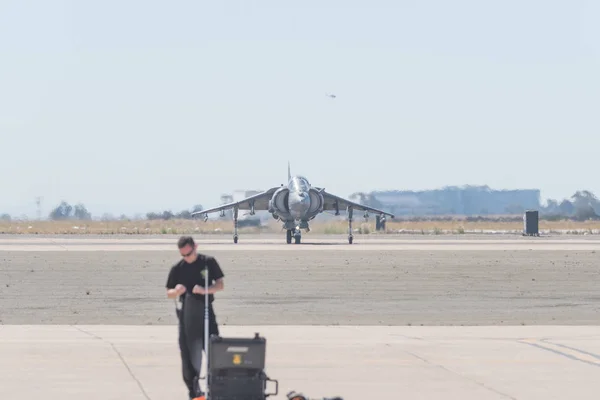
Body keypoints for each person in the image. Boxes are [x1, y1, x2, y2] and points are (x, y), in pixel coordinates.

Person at [166, 236, 225, 400]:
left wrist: (205, 290)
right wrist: (176, 291)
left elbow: (220, 285)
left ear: (195, 247)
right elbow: (168, 292)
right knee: (188, 353)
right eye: (183, 255)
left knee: (214, 351)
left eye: (189, 254)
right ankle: (194, 390)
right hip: (187, 315)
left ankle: (215, 386)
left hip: (206, 312)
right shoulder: (178, 268)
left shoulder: (208, 262)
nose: (187, 258)